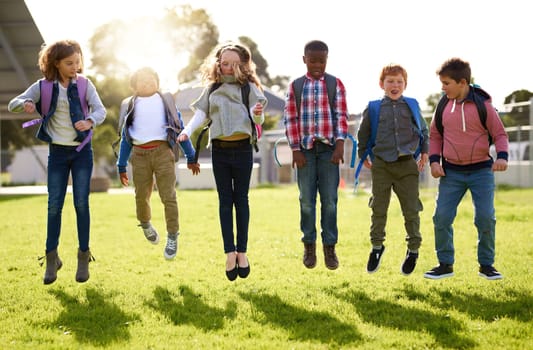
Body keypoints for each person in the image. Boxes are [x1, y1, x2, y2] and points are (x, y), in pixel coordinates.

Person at [8, 39, 106, 284]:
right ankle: (51, 259)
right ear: (56, 63)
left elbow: (100, 110)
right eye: (69, 63)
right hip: (58, 154)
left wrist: (90, 121)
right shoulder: (43, 86)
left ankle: (83, 256)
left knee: (82, 203)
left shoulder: (85, 84)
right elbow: (13, 103)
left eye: (78, 61)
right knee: (54, 206)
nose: (75, 66)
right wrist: (26, 104)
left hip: (82, 151)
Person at [178, 42, 267, 281]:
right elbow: (201, 113)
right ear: (218, 64)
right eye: (224, 63)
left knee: (242, 200)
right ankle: (230, 252)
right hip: (220, 151)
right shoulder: (212, 88)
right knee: (225, 202)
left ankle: (243, 252)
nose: (228, 68)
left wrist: (258, 111)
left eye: (234, 64)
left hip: (243, 150)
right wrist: (187, 131)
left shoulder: (248, 88)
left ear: (243, 65)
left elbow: (257, 117)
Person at [424, 58, 509, 280]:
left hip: (481, 172)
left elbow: (500, 134)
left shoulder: (484, 106)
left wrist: (502, 157)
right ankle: (444, 264)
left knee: (485, 218)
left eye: (446, 83)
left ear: (462, 82)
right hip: (451, 173)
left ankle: (487, 265)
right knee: (441, 217)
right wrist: (434, 161)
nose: (442, 88)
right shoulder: (443, 105)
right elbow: (435, 135)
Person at [117, 67, 199, 260]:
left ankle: (172, 236)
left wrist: (191, 156)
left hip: (163, 153)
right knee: (141, 196)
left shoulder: (166, 101)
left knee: (168, 197)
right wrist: (121, 165)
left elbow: (180, 130)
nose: (148, 82)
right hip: (139, 155)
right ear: (134, 86)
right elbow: (125, 138)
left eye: (151, 78)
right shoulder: (130, 104)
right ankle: (145, 223)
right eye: (143, 80)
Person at [357, 64, 429, 276]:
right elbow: (363, 134)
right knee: (379, 207)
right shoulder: (373, 108)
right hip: (381, 165)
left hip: (407, 165)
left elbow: (424, 131)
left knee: (411, 208)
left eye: (399, 81)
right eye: (390, 81)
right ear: (382, 84)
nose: (395, 85)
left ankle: (413, 249)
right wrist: (364, 156)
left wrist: (424, 152)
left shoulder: (413, 106)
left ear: (405, 84)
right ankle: (377, 247)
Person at [283, 40, 349, 270]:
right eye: (313, 60)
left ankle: (329, 247)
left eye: (322, 60)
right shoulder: (296, 86)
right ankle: (309, 244)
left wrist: (340, 145)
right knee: (306, 200)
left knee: (330, 200)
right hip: (305, 153)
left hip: (329, 150)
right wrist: (295, 149)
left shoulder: (335, 84)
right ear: (304, 60)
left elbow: (341, 116)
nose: (318, 64)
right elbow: (290, 119)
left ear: (327, 59)